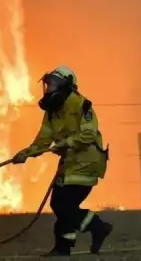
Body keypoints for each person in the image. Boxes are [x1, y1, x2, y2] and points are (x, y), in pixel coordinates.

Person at [12, 65, 112, 256]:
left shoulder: (81, 105)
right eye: (48, 84)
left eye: (53, 84)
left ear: (67, 87)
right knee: (60, 204)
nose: (49, 88)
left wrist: (66, 143)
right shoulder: (52, 111)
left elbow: (88, 134)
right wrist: (26, 153)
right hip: (70, 164)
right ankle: (64, 247)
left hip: (87, 162)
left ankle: (97, 227)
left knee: (62, 205)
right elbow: (43, 140)